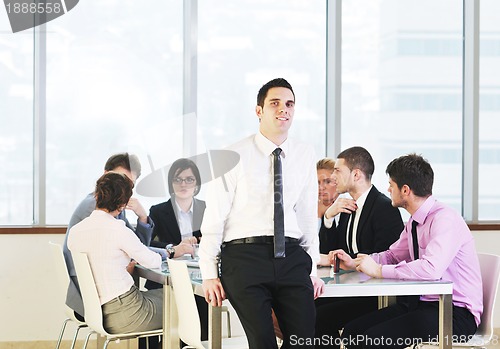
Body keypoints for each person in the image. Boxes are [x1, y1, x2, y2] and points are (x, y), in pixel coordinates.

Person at [199, 78, 324, 349]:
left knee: (304, 341)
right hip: (244, 259)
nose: (284, 109)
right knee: (262, 342)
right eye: (275, 103)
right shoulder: (232, 155)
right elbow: (215, 216)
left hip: (291, 257)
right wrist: (209, 271)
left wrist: (312, 268)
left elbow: (306, 216)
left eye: (289, 104)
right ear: (259, 111)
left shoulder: (304, 153)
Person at [335, 153, 482, 349]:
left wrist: (379, 271)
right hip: (424, 305)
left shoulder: (444, 219)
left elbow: (431, 269)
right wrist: (357, 263)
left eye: (391, 185)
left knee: (370, 340)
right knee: (353, 332)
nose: (387, 189)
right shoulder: (414, 221)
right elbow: (392, 255)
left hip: (454, 312)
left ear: (405, 190)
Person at [63, 152, 191, 319]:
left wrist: (143, 217)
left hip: (96, 294)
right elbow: (137, 250)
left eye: (130, 184)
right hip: (93, 298)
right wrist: (170, 252)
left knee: (166, 298)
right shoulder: (98, 208)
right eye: (121, 179)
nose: (123, 187)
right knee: (183, 301)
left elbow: (135, 246)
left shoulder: (107, 209)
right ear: (105, 176)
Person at [314, 146, 403, 347]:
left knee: (318, 315)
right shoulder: (347, 206)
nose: (334, 176)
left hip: (374, 295)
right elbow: (333, 253)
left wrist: (353, 262)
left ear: (356, 175)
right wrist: (328, 217)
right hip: (353, 288)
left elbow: (389, 256)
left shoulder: (383, 208)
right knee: (306, 306)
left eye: (337, 171)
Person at [68, 172, 163, 333]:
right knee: (180, 301)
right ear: (123, 205)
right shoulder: (118, 229)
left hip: (96, 313)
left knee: (163, 297)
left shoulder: (76, 231)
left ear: (97, 196)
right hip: (127, 312)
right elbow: (154, 262)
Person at [146, 157, 209, 343]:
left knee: (202, 309)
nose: (183, 184)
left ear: (196, 183)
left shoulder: (206, 208)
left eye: (189, 179)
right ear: (170, 183)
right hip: (166, 280)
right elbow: (147, 243)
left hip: (198, 278)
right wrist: (173, 248)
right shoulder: (158, 211)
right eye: (178, 179)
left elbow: (218, 240)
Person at [317, 158, 340, 254]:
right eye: (317, 182)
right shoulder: (308, 209)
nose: (321, 187)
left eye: (327, 181)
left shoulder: (349, 208)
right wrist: (318, 215)